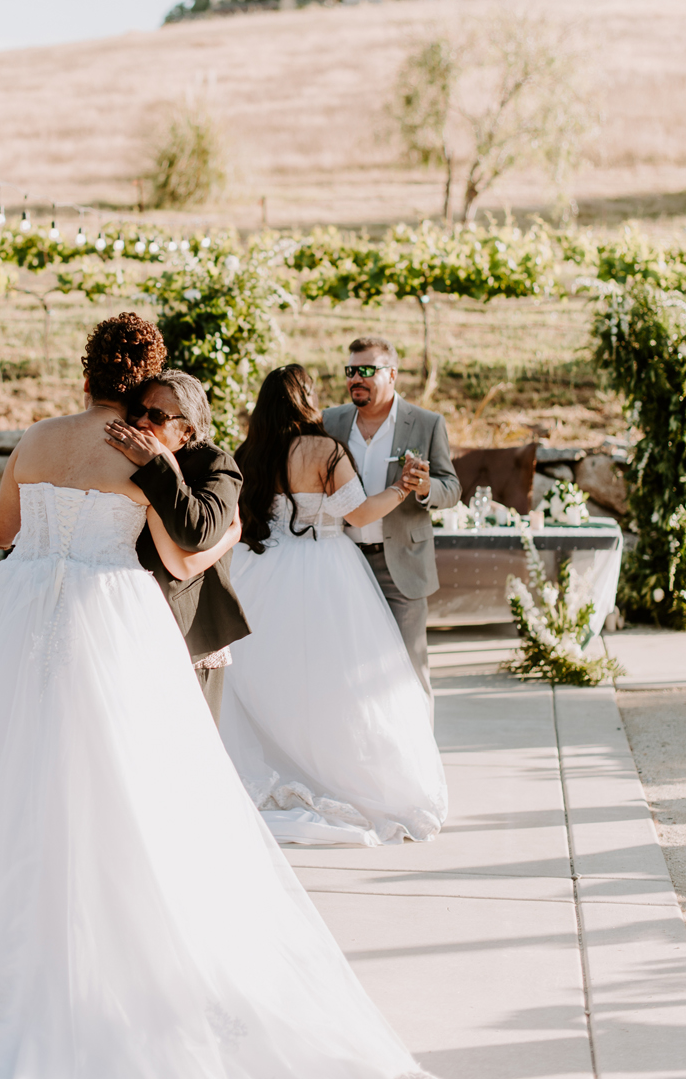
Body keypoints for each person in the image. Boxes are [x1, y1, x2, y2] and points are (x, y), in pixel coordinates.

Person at [0, 314, 450, 1079]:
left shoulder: (36, 437)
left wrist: (8, 529)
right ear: (142, 382)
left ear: (85, 373)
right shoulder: (142, 449)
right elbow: (178, 557)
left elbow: (3, 529)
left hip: (20, 612)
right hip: (110, 617)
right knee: (126, 785)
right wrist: (215, 526)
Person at [221, 364, 448, 848]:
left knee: (272, 679)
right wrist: (401, 488)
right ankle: (336, 776)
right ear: (305, 399)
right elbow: (360, 514)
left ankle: (280, 769)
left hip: (261, 571)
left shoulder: (250, 452)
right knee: (338, 683)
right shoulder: (325, 451)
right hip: (324, 569)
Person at [322, 335, 461, 716]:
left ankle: (419, 750)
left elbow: (452, 488)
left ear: (392, 374)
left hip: (401, 564)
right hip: (343, 560)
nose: (356, 379)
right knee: (348, 667)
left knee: (408, 672)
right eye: (351, 371)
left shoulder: (427, 423)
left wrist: (426, 487)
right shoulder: (330, 422)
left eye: (367, 370)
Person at [103, 369, 249, 726]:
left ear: (187, 430)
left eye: (157, 416)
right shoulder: (121, 454)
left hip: (189, 631)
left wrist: (158, 465)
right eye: (138, 410)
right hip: (123, 619)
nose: (141, 421)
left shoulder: (217, 466)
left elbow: (196, 533)